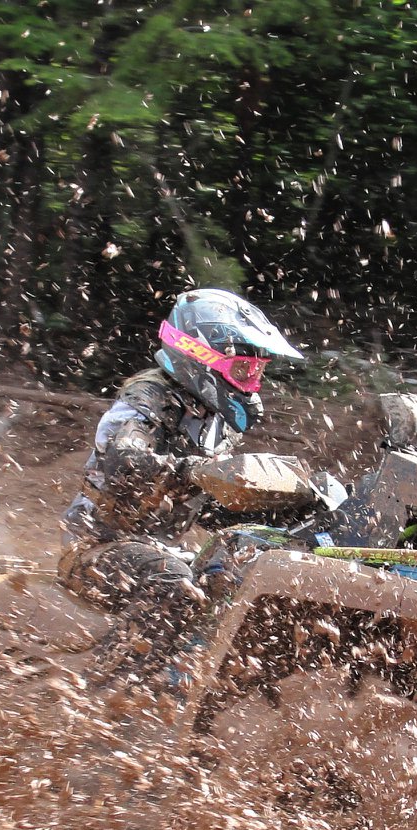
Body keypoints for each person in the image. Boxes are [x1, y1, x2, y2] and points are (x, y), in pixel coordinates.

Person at [59, 288, 303, 688]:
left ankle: (175, 691)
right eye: (243, 370)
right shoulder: (147, 397)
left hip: (156, 548)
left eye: (258, 372)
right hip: (96, 549)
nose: (251, 384)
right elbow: (123, 461)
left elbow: (207, 505)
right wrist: (194, 471)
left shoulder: (213, 420)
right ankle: (94, 691)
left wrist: (277, 504)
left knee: (234, 575)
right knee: (175, 581)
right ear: (200, 357)